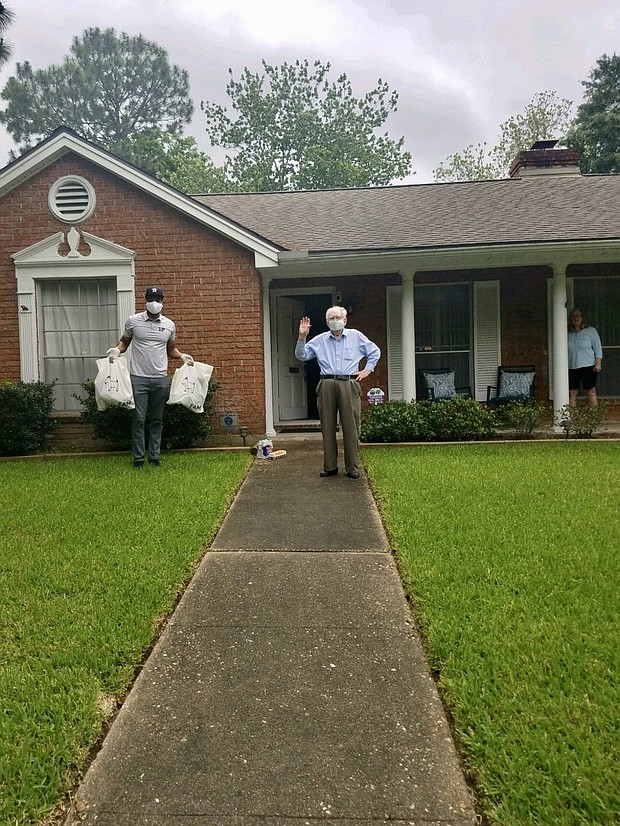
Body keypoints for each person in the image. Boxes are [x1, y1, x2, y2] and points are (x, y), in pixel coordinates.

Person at [107, 285, 194, 468]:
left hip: (160, 378)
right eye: (150, 299)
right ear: (145, 300)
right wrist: (116, 350)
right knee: (138, 419)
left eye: (157, 299)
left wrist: (182, 356)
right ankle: (138, 459)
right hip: (138, 378)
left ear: (162, 301)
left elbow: (171, 349)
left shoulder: (169, 325)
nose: (154, 302)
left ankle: (154, 457)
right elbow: (124, 343)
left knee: (157, 419)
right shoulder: (133, 321)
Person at [295, 306, 380, 478]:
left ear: (345, 320)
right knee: (327, 426)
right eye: (331, 318)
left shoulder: (356, 336)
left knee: (351, 427)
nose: (335, 321)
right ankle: (330, 466)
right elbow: (302, 356)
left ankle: (352, 467)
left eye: (337, 317)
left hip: (349, 382)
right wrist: (302, 337)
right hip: (326, 383)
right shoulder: (320, 340)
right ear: (327, 322)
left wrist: (367, 370)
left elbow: (374, 352)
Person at [568, 307, 602, 407]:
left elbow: (597, 348)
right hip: (572, 367)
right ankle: (571, 416)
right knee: (572, 393)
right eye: (573, 316)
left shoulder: (591, 331)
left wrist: (598, 363)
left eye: (578, 316)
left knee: (591, 392)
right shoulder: (567, 333)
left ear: (583, 318)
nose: (576, 318)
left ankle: (594, 415)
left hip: (588, 366)